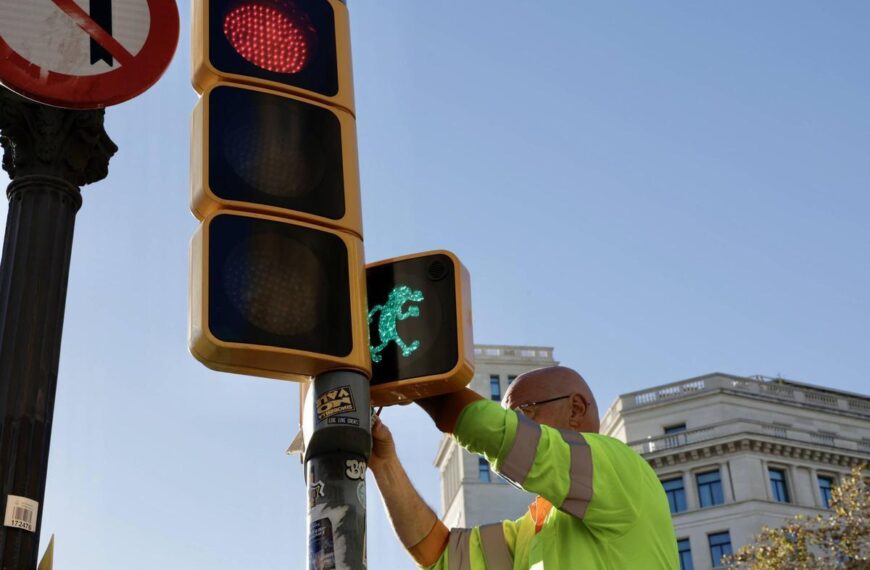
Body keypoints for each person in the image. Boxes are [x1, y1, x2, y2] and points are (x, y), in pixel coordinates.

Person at [369, 366, 679, 569]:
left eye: (523, 413)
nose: (515, 424)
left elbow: (496, 432)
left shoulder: (623, 469)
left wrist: (417, 377)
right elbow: (441, 554)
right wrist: (384, 464)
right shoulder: (532, 530)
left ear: (576, 409)